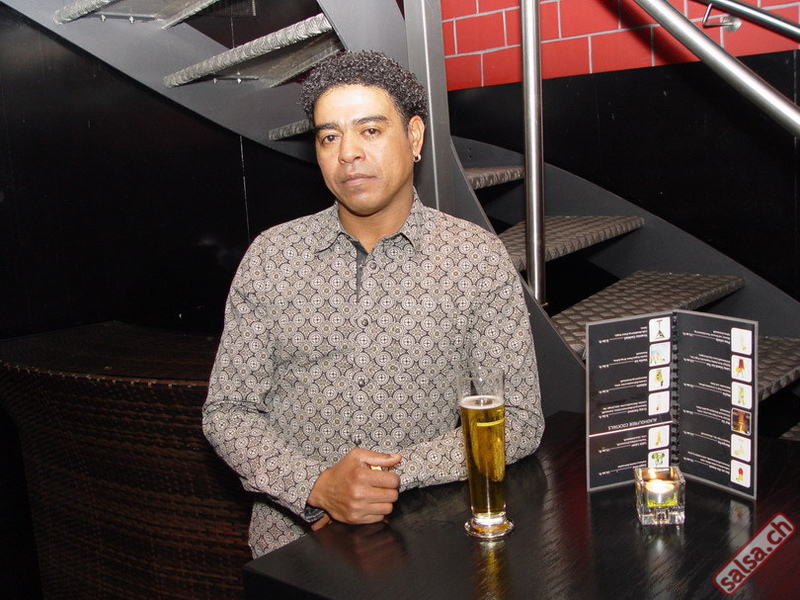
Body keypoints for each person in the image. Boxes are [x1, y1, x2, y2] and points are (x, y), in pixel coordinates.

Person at [202, 50, 544, 557]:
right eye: (329, 137)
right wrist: (316, 486)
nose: (348, 154)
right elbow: (228, 410)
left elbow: (518, 419)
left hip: (422, 544)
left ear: (415, 137)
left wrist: (390, 476)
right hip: (292, 548)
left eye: (370, 130)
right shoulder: (273, 257)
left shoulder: (474, 258)